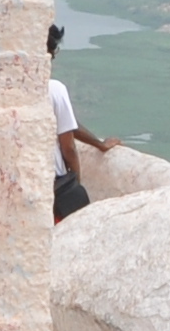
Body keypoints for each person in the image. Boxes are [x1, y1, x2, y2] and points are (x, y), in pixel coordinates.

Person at [49, 21, 122, 220]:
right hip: (52, 185)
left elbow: (67, 123)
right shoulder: (54, 89)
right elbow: (68, 147)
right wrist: (75, 182)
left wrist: (98, 144)